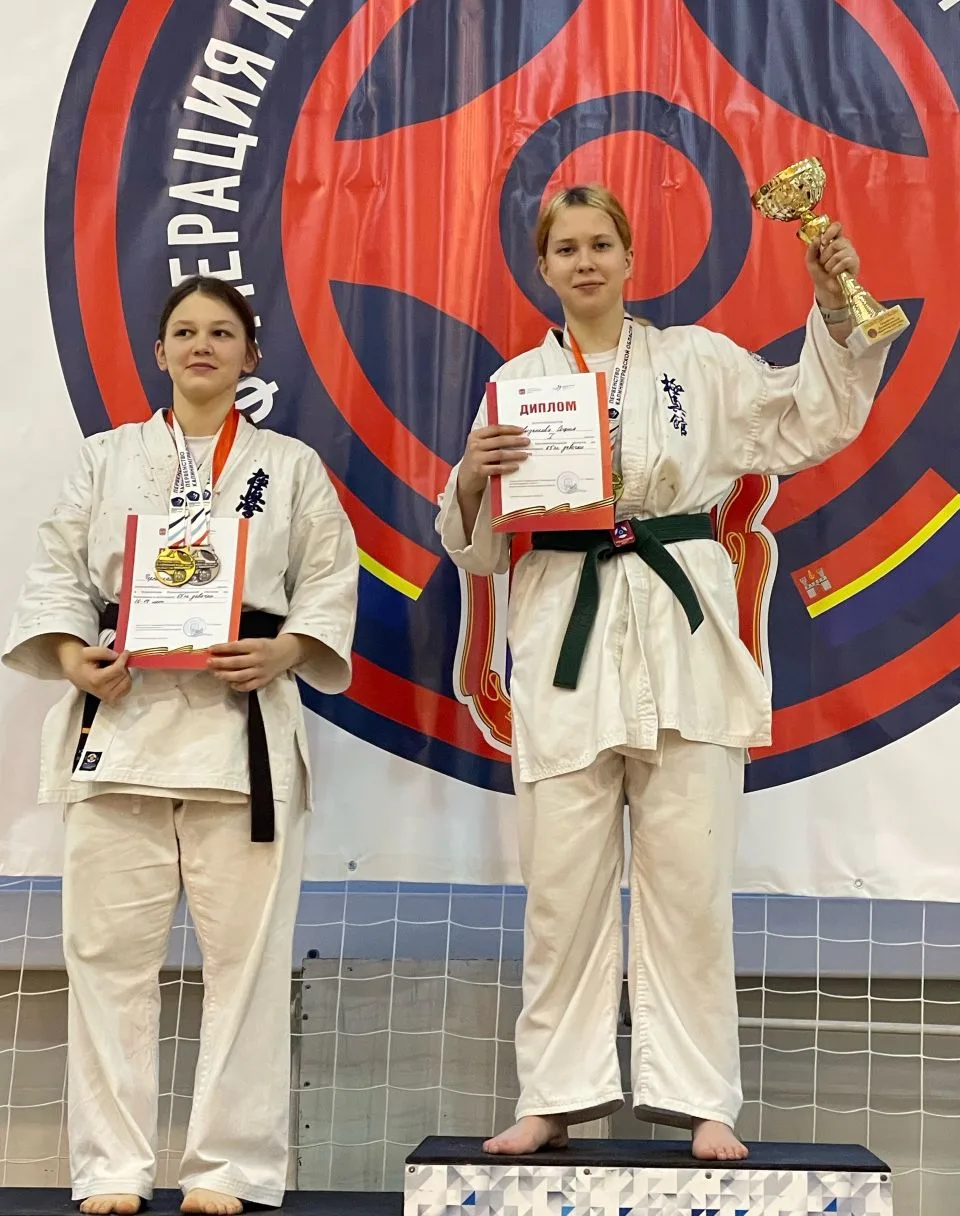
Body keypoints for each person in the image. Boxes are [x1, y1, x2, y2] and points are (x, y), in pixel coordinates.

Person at [436, 184, 889, 1162]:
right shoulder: (518, 382)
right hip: (566, 641)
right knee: (561, 889)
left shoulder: (699, 361)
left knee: (691, 886)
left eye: (601, 243)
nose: (585, 261)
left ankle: (701, 1095)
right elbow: (477, 547)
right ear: (543, 267)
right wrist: (473, 474)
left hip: (684, 635)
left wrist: (832, 310)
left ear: (631, 257)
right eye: (566, 247)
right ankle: (555, 1093)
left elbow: (809, 418)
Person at [3, 275, 359, 1214]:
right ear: (159, 352)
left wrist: (286, 648)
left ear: (251, 356)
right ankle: (111, 1168)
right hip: (120, 729)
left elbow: (329, 580)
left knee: (247, 966)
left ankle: (227, 1167)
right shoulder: (107, 458)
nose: (203, 346)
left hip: (240, 736)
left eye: (222, 333)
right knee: (106, 959)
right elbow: (57, 570)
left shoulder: (290, 467)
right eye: (186, 332)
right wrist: (73, 658)